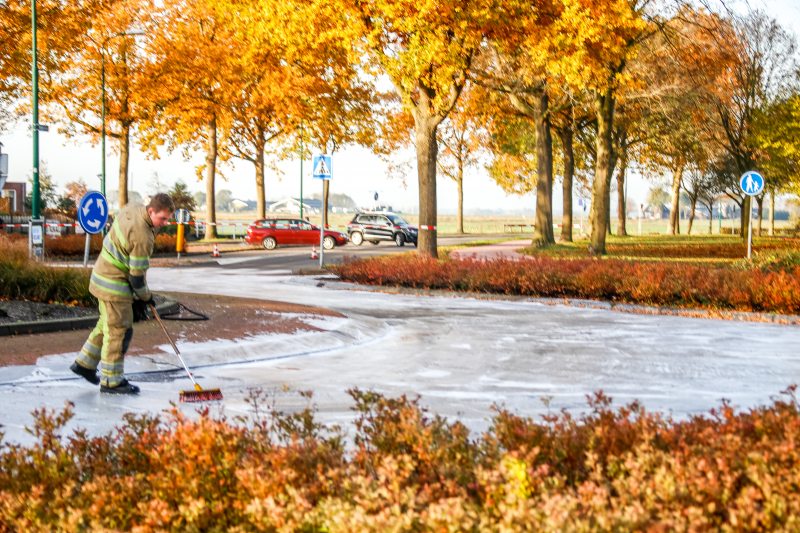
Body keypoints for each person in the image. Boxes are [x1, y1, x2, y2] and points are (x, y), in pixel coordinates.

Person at [70, 193, 175, 394]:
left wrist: (138, 297)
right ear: (151, 211)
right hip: (114, 284)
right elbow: (136, 278)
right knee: (119, 330)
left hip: (101, 274)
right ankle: (112, 381)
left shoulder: (133, 208)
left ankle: (84, 364)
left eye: (167, 219)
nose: (164, 223)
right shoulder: (142, 236)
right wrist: (146, 298)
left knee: (107, 324)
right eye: (162, 218)